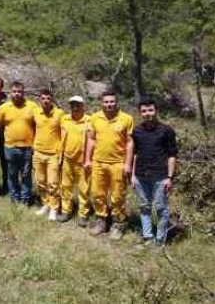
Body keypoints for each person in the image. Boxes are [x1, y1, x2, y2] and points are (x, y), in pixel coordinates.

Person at [85, 91, 134, 240]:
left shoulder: (126, 118)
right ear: (101, 102)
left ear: (117, 102)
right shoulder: (94, 118)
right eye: (106, 102)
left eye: (112, 101)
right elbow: (91, 140)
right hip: (98, 162)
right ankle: (101, 221)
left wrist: (128, 164)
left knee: (117, 196)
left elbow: (130, 142)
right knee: (98, 194)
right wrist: (87, 159)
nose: (109, 104)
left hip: (118, 164)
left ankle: (117, 224)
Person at [131, 98, 177, 247]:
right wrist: (132, 175)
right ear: (140, 113)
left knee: (161, 209)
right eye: (144, 111)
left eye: (150, 110)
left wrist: (169, 177)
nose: (147, 113)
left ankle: (160, 240)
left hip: (160, 177)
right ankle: (148, 237)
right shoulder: (137, 131)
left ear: (156, 111)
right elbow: (135, 154)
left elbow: (172, 155)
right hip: (140, 176)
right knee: (145, 207)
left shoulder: (166, 131)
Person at [0, 81, 38, 205]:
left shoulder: (32, 106)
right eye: (14, 91)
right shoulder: (4, 108)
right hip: (10, 147)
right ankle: (14, 197)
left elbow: (38, 124)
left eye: (19, 91)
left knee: (26, 174)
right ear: (10, 93)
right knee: (12, 174)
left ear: (23, 92)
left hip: (28, 147)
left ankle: (25, 199)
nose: (17, 94)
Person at [32, 89, 65, 221]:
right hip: (38, 152)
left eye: (48, 98)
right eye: (43, 98)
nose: (45, 101)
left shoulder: (59, 113)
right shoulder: (36, 112)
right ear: (40, 100)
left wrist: (62, 153)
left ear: (52, 99)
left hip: (53, 154)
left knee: (53, 183)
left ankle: (54, 208)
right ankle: (45, 203)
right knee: (40, 182)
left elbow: (64, 132)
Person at [58, 96, 91, 227]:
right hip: (67, 159)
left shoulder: (89, 120)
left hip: (83, 161)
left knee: (84, 189)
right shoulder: (64, 119)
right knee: (66, 187)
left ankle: (83, 214)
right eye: (72, 105)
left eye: (78, 105)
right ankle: (67, 211)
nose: (75, 108)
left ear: (83, 106)